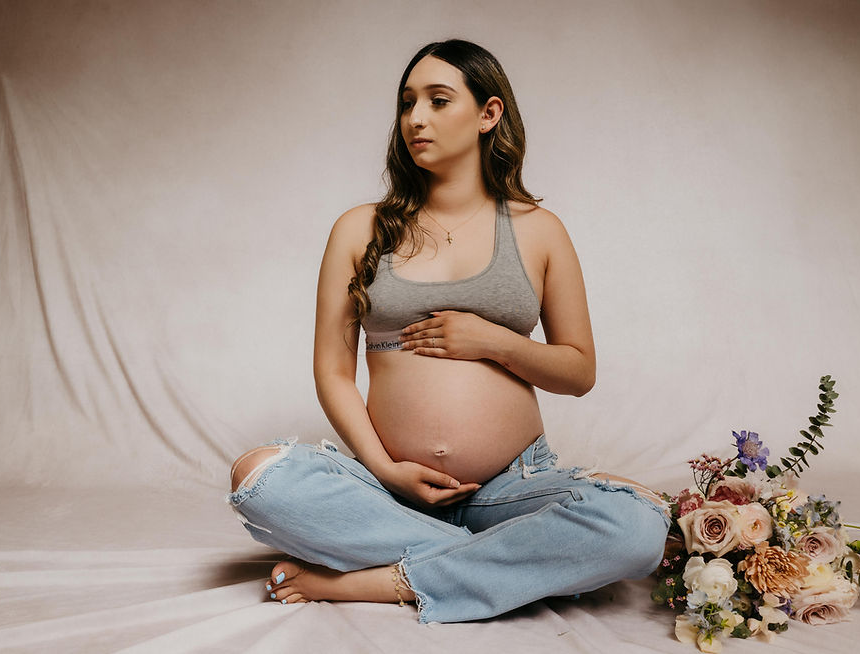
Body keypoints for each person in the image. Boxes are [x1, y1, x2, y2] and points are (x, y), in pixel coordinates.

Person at [226, 39, 670, 624]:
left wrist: (495, 342)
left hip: (510, 488)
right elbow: (333, 372)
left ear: (489, 114)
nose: (416, 118)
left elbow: (579, 372)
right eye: (407, 102)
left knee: (639, 526)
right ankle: (521, 564)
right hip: (386, 489)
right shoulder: (358, 229)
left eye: (438, 100)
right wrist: (385, 470)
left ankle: (382, 581)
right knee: (258, 477)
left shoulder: (539, 230)